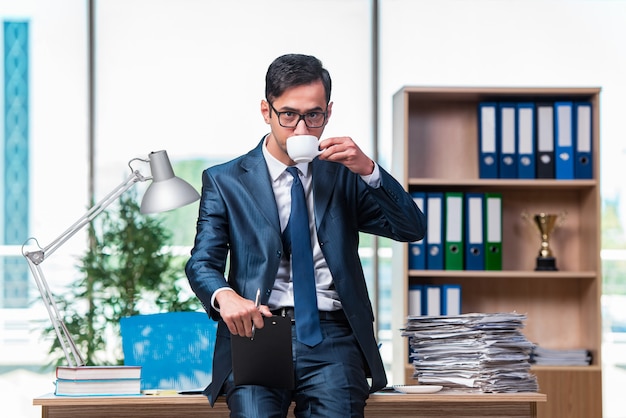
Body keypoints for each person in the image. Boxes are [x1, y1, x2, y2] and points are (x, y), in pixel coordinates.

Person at [185, 53, 426, 417]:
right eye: (289, 115)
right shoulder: (226, 180)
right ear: (266, 111)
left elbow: (410, 229)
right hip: (257, 332)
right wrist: (225, 296)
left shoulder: (345, 174)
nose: (301, 130)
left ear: (328, 113)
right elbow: (202, 262)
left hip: (333, 337)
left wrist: (370, 171)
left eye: (313, 116)